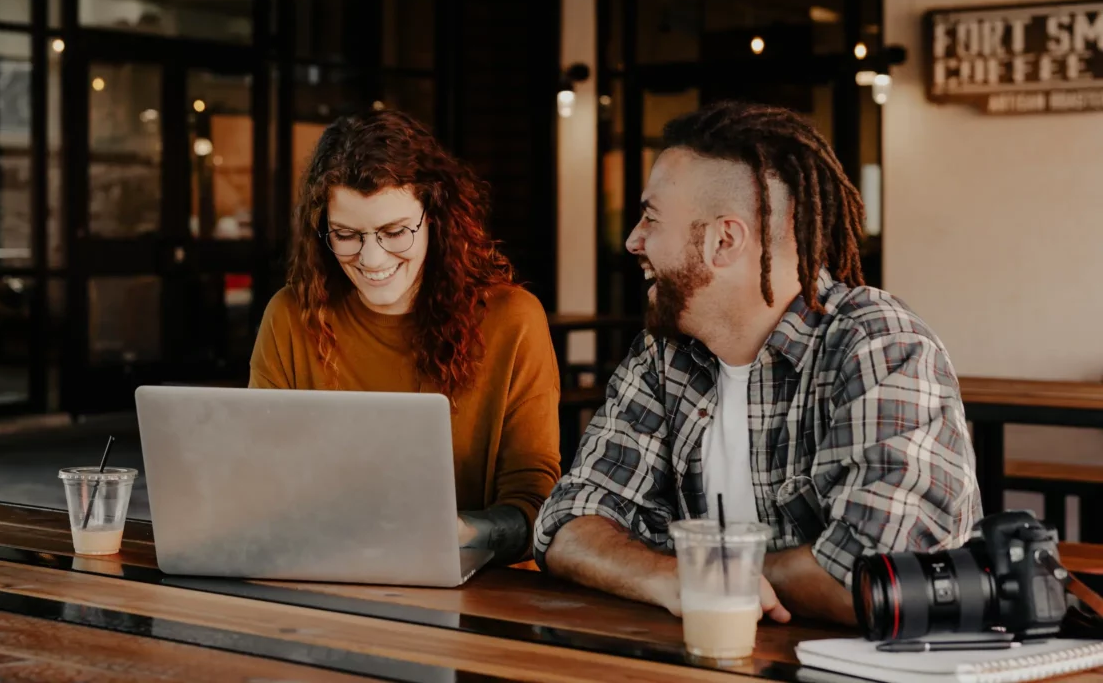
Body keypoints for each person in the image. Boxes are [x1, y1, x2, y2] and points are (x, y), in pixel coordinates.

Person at [533, 100, 981, 625]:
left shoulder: (879, 345)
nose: (634, 239)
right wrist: (667, 577)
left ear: (724, 240)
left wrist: (705, 576)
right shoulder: (664, 355)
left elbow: (877, 573)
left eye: (651, 218)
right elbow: (568, 523)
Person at [250, 109, 561, 565]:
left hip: (483, 588)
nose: (372, 258)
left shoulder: (512, 320)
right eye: (346, 235)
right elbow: (259, 477)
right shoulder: (291, 316)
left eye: (395, 232)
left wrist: (456, 532)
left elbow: (537, 503)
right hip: (322, 567)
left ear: (436, 218)